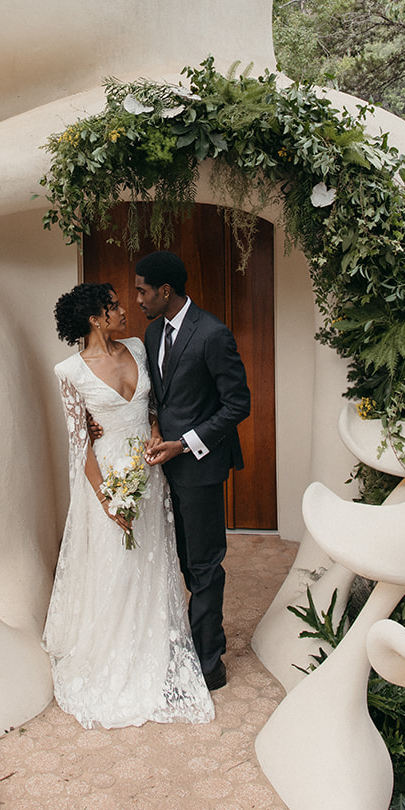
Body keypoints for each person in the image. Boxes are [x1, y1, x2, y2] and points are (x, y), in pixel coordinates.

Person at [43, 280, 214, 729]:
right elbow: (79, 443)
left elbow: (153, 406)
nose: (125, 311)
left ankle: (154, 645)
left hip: (149, 471)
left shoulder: (138, 348)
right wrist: (105, 500)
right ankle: (112, 652)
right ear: (95, 319)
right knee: (115, 565)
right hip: (108, 478)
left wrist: (155, 430)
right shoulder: (69, 372)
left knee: (153, 561)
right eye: (114, 307)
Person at [136, 251, 251, 692]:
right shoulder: (150, 333)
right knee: (183, 561)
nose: (139, 298)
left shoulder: (213, 334)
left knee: (204, 565)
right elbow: (159, 398)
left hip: (200, 468)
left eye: (143, 290)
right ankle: (197, 638)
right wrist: (153, 429)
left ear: (166, 291)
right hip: (164, 469)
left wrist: (184, 444)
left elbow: (237, 405)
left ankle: (210, 663)